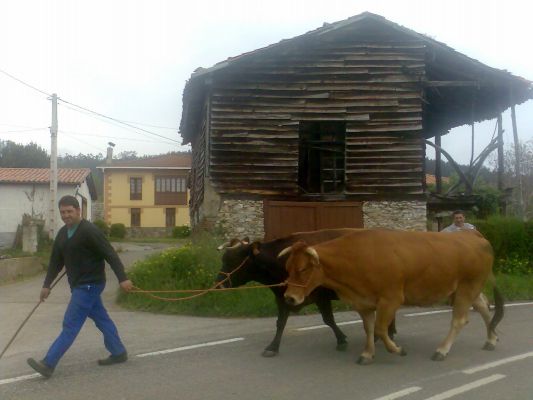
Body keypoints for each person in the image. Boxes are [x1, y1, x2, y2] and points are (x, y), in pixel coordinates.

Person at [27, 195, 133, 378]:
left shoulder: (90, 231)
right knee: (101, 318)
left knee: (71, 323)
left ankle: (48, 363)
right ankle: (118, 352)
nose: (66, 215)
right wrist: (46, 285)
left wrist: (122, 278)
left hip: (90, 285)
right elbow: (55, 262)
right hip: (78, 285)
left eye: (69, 211)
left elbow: (110, 254)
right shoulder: (62, 233)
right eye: (62, 212)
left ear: (78, 211)